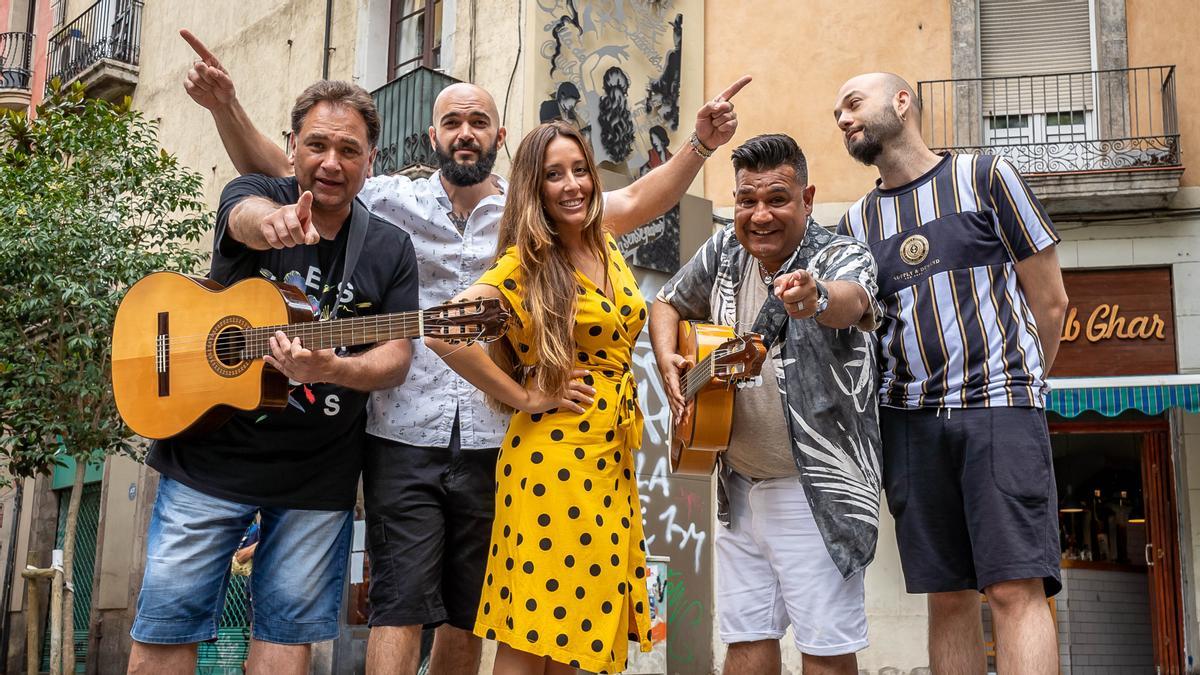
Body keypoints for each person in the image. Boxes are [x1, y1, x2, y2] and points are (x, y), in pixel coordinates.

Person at [179, 28, 748, 675]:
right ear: (433, 136)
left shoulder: (561, 224)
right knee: (403, 601)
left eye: (480, 121)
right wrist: (227, 106)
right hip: (416, 430)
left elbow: (645, 197)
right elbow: (293, 173)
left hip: (521, 442)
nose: (466, 132)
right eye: (452, 121)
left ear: (499, 139)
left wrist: (699, 144)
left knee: (474, 610)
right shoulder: (408, 206)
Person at [425, 78, 747, 675]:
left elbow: (653, 192)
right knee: (532, 633)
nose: (572, 184)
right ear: (534, 188)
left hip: (609, 456)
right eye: (554, 174)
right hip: (552, 459)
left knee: (584, 634)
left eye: (580, 170)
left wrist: (700, 144)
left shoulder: (602, 238)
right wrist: (524, 394)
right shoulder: (526, 263)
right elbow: (442, 329)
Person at [127, 79, 419, 675]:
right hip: (206, 461)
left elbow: (397, 356)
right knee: (164, 630)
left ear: (372, 160)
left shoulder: (391, 247)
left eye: (349, 150)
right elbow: (244, 218)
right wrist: (276, 224)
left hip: (317, 478)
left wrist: (335, 368)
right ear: (291, 146)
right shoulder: (258, 190)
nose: (331, 163)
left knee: (288, 640)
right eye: (316, 145)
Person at [833, 72, 1069, 675]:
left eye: (853, 104)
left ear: (902, 101)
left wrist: (1018, 387)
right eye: (837, 112)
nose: (842, 119)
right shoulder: (856, 223)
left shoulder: (986, 177)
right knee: (947, 597)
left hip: (999, 408)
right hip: (907, 425)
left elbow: (1051, 303)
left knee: (1016, 589)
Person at [650, 134, 883, 675]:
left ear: (807, 198)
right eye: (746, 200)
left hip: (814, 493)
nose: (760, 215)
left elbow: (851, 301)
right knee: (746, 641)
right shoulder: (724, 252)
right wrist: (669, 362)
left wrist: (815, 297)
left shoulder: (840, 254)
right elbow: (665, 302)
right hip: (737, 487)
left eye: (777, 198)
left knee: (825, 648)